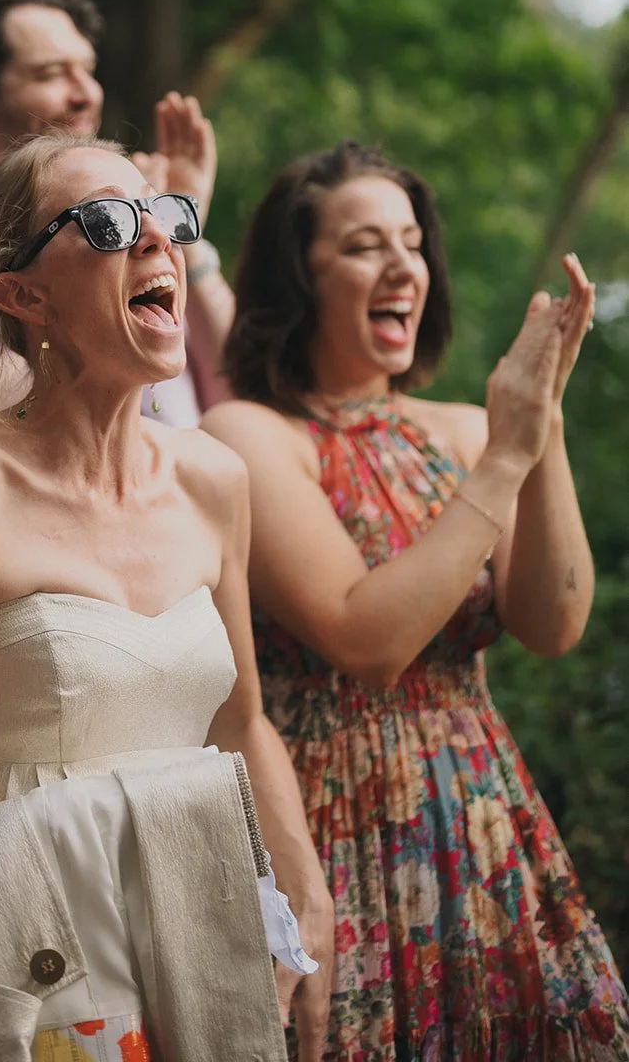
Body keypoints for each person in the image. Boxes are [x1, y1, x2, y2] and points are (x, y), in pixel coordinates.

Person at [0, 134, 335, 1058]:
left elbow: (241, 724)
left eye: (165, 215)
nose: (155, 240)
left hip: (206, 946)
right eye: (105, 221)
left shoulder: (217, 478)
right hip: (29, 969)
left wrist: (305, 903)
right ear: (21, 296)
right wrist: (8, 911)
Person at [201, 139, 629, 1060]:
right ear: (299, 278)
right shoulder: (249, 435)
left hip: (479, 814)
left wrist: (537, 422)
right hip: (332, 826)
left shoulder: (466, 431)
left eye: (411, 242)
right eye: (363, 246)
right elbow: (366, 638)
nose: (404, 265)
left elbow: (551, 624)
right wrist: (508, 457)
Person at [0, 0, 234, 421]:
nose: (88, 94)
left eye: (88, 71)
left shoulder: (147, 232)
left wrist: (183, 234)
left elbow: (238, 399)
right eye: (53, 73)